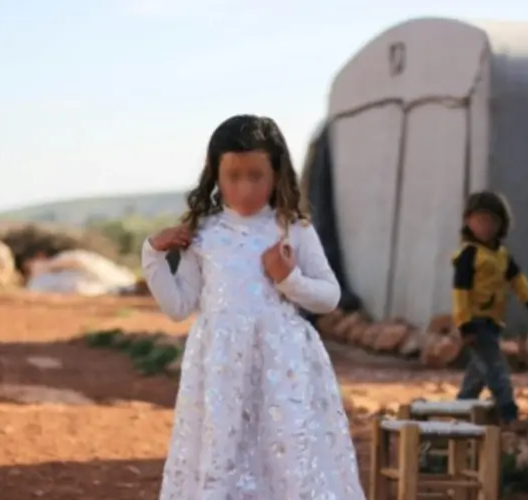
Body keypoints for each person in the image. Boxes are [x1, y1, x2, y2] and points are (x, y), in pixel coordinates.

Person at [142, 114, 365, 499]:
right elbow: (178, 307)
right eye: (233, 176)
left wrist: (288, 279)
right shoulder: (203, 234)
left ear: (276, 173)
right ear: (215, 174)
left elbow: (329, 297)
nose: (244, 188)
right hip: (220, 368)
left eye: (256, 176)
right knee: (224, 451)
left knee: (286, 449)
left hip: (284, 365)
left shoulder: (294, 228)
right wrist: (152, 256)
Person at [451, 191, 528, 423]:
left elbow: (518, 281)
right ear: (468, 221)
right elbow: (460, 293)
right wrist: (464, 325)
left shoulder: (502, 255)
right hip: (475, 321)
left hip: (493, 321)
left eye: (491, 221)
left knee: (479, 370)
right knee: (495, 366)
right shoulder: (469, 255)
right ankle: (507, 409)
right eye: (479, 220)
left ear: (501, 224)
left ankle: (462, 407)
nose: (485, 227)